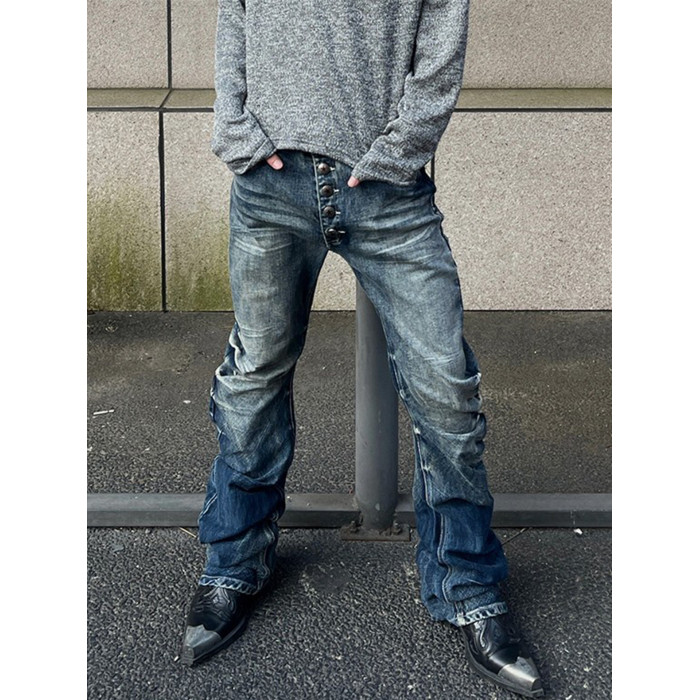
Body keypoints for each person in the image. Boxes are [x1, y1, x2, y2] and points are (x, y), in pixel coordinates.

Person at [181, 1, 544, 696]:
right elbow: (236, 13)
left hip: (387, 196)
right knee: (254, 374)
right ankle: (233, 562)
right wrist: (233, 128)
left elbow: (440, 42)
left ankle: (467, 582)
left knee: (446, 390)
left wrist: (402, 150)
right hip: (269, 186)